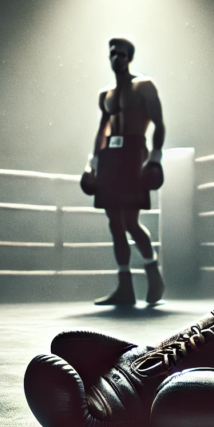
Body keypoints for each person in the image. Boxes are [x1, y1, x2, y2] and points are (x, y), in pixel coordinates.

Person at [85, 37, 165, 305]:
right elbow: (101, 132)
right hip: (110, 157)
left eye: (121, 54)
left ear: (129, 57)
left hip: (134, 154)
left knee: (131, 221)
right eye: (112, 54)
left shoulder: (143, 86)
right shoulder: (104, 94)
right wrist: (91, 165)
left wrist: (154, 159)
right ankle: (125, 288)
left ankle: (154, 276)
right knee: (114, 224)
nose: (116, 58)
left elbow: (159, 124)